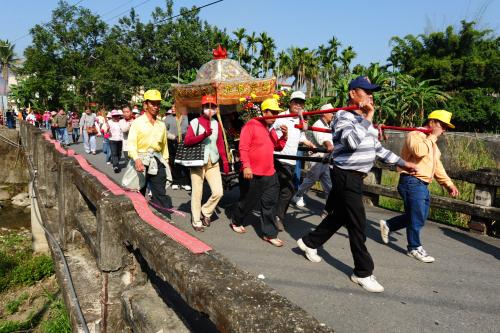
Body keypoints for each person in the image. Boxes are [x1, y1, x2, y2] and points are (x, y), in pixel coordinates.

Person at [296, 76, 418, 293]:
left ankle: (309, 242)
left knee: (339, 216)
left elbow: (377, 149)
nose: (370, 96)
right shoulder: (342, 117)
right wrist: (368, 117)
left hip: (356, 176)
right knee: (357, 223)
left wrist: (402, 163)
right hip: (345, 174)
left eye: (372, 92)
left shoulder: (365, 121)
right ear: (353, 94)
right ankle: (362, 272)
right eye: (366, 91)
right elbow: (351, 143)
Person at [380, 110, 459, 263]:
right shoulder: (415, 135)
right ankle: (414, 247)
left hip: (422, 184)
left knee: (419, 216)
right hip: (411, 181)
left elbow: (437, 166)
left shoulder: (432, 143)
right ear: (432, 122)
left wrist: (448, 184)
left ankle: (389, 225)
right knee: (416, 217)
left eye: (445, 128)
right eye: (443, 126)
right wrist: (432, 137)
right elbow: (418, 152)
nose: (444, 131)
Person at [230, 98, 288, 246]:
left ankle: (269, 234)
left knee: (270, 203)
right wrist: (247, 166)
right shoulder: (252, 124)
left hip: (270, 173)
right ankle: (236, 221)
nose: (275, 115)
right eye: (272, 112)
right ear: (264, 111)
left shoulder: (272, 130)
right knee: (248, 201)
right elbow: (243, 147)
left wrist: (284, 136)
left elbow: (278, 147)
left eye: (276, 113)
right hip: (253, 172)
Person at [184, 95, 229, 232]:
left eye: (213, 107)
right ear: (202, 108)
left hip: (213, 161)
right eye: (207, 106)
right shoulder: (195, 123)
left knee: (218, 192)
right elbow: (187, 141)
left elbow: (220, 142)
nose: (210, 109)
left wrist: (225, 160)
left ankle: (206, 211)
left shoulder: (216, 123)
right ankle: (196, 220)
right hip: (197, 161)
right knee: (197, 192)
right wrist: (203, 135)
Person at [272, 91, 316, 231]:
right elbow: (274, 134)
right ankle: (275, 217)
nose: (298, 105)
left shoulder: (299, 119)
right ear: (290, 103)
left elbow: (300, 136)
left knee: (287, 190)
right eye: (296, 102)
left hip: (291, 160)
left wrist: (309, 144)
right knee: (284, 189)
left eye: (301, 102)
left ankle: (277, 216)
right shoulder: (281, 117)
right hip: (280, 158)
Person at [128, 89, 171, 210]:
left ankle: (162, 221)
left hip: (157, 161)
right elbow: (131, 143)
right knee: (137, 193)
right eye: (152, 103)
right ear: (145, 104)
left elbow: (164, 146)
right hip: (140, 160)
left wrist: (166, 162)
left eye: (158, 103)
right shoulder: (137, 123)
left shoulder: (161, 124)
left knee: (160, 193)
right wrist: (136, 159)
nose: (156, 106)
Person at [292, 103, 334, 210]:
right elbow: (322, 140)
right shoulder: (318, 124)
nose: (333, 115)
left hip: (326, 157)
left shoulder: (329, 124)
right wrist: (329, 145)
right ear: (324, 113)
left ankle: (330, 206)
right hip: (317, 157)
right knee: (311, 180)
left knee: (328, 183)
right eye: (331, 112)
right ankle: (298, 195)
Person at [164, 105, 191, 191]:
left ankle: (186, 182)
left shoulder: (186, 117)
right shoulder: (168, 118)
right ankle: (175, 181)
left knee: (185, 163)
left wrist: (185, 136)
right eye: (171, 108)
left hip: (184, 142)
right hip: (172, 142)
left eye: (175, 108)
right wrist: (173, 137)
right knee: (173, 162)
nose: (172, 109)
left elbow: (190, 129)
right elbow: (164, 130)